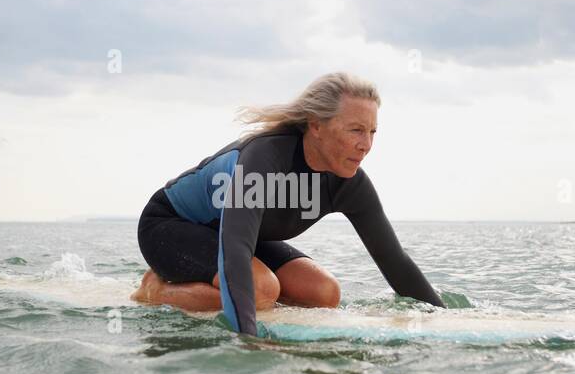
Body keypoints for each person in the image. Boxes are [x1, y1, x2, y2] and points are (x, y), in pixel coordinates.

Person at [133, 71, 443, 336]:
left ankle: (239, 298)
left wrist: (444, 320)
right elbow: (236, 248)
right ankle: (156, 290)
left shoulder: (350, 185)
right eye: (356, 130)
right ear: (316, 126)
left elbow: (394, 261)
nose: (366, 145)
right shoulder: (264, 160)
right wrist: (248, 339)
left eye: (372, 132)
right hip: (170, 226)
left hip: (236, 238)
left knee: (325, 292)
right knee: (262, 289)